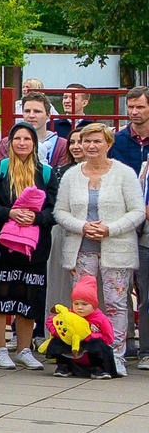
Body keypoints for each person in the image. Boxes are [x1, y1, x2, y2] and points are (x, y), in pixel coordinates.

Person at [52, 122, 144, 377]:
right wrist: (82, 226)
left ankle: (115, 356)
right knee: (82, 305)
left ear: (108, 144)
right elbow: (60, 211)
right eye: (86, 141)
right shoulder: (72, 175)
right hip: (81, 248)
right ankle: (81, 356)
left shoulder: (124, 174)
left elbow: (137, 211)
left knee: (116, 304)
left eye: (97, 141)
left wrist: (110, 229)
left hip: (117, 249)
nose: (91, 146)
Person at [0, 119, 55, 371]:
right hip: (1, 247)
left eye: (27, 139)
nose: (22, 143)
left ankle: (24, 349)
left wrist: (36, 217)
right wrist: (9, 213)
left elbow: (54, 210)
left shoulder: (45, 173)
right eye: (17, 139)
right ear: (9, 143)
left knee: (29, 299)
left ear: (34, 144)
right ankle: (0, 350)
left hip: (33, 250)